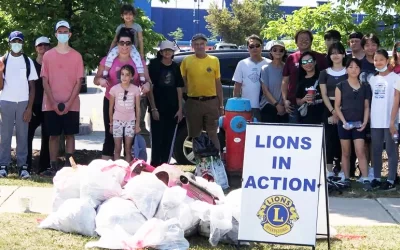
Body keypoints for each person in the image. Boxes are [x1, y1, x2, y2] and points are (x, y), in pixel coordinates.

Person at [94, 27, 150, 160]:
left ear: (132, 45)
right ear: (117, 44)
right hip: (111, 101)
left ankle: (127, 169)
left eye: (128, 43)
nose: (124, 46)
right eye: (121, 42)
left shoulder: (139, 62)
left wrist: (147, 85)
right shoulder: (107, 60)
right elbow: (96, 79)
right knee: (110, 135)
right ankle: (106, 168)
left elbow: (148, 82)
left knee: (129, 138)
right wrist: (100, 80)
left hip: (131, 105)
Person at [40, 21, 84, 176]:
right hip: (50, 104)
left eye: (66, 31)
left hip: (72, 104)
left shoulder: (77, 56)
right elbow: (45, 80)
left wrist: (68, 103)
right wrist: (52, 102)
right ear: (56, 34)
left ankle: (69, 166)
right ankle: (53, 167)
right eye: (60, 31)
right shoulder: (48, 55)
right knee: (53, 136)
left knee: (69, 135)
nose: (63, 34)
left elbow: (79, 82)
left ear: (70, 34)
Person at [0, 31, 38, 179]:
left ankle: (23, 167)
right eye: (14, 41)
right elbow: (0, 86)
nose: (16, 44)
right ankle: (3, 166)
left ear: (22, 43)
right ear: (9, 43)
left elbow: (32, 87)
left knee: (23, 135)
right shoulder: (4, 60)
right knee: (5, 135)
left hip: (23, 103)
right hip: (6, 101)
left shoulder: (27, 61)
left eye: (19, 41)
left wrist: (29, 108)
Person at [180, 33, 223, 151]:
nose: (199, 46)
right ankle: (200, 166)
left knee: (212, 134)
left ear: (206, 45)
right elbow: (182, 84)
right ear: (192, 46)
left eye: (202, 44)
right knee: (195, 135)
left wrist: (220, 105)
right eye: (196, 44)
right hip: (193, 102)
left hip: (211, 102)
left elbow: (218, 83)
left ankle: (216, 164)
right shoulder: (186, 61)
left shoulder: (214, 60)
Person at [334, 58, 371, 190]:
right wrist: (343, 121)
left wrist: (365, 122)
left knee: (360, 151)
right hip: (344, 123)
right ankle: (346, 177)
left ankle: (366, 179)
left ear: (360, 69)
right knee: (345, 152)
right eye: (351, 67)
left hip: (359, 123)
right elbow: (337, 106)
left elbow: (366, 107)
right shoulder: (341, 85)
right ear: (346, 69)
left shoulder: (365, 87)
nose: (354, 69)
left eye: (356, 67)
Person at [147, 41, 184, 167]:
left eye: (170, 50)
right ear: (161, 52)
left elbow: (179, 87)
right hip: (157, 109)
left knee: (169, 140)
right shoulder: (153, 65)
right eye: (165, 50)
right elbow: (149, 88)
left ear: (173, 52)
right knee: (157, 139)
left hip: (172, 110)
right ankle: (154, 166)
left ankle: (165, 166)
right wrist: (153, 108)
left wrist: (180, 109)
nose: (167, 52)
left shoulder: (176, 66)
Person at [282, 29, 327, 123]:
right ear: (296, 42)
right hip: (293, 103)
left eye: (306, 39)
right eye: (301, 39)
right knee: (295, 134)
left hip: (317, 104)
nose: (303, 41)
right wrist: (285, 100)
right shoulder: (291, 58)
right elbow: (285, 81)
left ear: (311, 41)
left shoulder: (320, 57)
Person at [369, 49, 399, 191]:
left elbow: (396, 100)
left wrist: (392, 122)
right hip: (376, 120)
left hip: (391, 121)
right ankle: (376, 177)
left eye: (381, 59)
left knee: (391, 149)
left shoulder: (396, 78)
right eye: (375, 60)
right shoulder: (372, 79)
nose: (378, 62)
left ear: (387, 60)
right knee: (376, 149)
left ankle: (391, 179)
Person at [319, 42, 348, 178]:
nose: (335, 55)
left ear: (343, 54)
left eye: (338, 52)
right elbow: (324, 94)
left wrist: (339, 110)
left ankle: (342, 170)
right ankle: (329, 170)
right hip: (328, 107)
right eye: (332, 53)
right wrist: (332, 111)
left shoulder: (349, 71)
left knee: (343, 139)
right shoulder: (324, 73)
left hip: (346, 107)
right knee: (329, 139)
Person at [27, 36, 51, 175]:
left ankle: (44, 168)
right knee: (27, 137)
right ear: (36, 48)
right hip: (33, 107)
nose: (43, 47)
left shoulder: (52, 65)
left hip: (48, 106)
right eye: (39, 45)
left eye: (45, 45)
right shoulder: (30, 65)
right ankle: (26, 166)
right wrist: (28, 107)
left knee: (47, 137)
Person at [233, 34, 271, 121]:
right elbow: (237, 86)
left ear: (262, 47)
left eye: (257, 45)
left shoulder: (269, 63)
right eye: (251, 46)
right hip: (247, 106)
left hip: (266, 106)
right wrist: (236, 105)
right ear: (248, 48)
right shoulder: (242, 64)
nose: (255, 48)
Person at [103, 4, 145, 83]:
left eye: (130, 14)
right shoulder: (120, 27)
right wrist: (110, 51)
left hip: (132, 48)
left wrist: (142, 53)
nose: (128, 16)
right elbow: (115, 40)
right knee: (110, 57)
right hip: (120, 47)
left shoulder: (137, 27)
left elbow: (140, 40)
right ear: (122, 16)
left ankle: (142, 78)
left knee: (138, 60)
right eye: (126, 14)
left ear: (134, 16)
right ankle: (105, 74)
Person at [109, 64, 141, 162]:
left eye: (127, 75)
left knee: (128, 148)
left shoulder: (135, 89)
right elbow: (110, 108)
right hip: (117, 121)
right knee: (117, 148)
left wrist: (137, 125)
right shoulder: (114, 89)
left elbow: (138, 108)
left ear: (132, 77)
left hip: (130, 121)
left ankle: (127, 170)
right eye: (122, 74)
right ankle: (117, 169)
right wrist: (111, 124)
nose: (124, 77)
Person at [260, 40, 287, 123]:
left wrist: (284, 105)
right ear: (271, 52)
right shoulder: (265, 68)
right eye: (275, 50)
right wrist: (277, 105)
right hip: (268, 106)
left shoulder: (287, 67)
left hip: (285, 107)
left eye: (281, 50)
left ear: (284, 52)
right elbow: (265, 91)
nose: (278, 52)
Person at [295, 52, 323, 125]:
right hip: (305, 117)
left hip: (322, 116)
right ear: (301, 65)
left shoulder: (323, 77)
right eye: (304, 62)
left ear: (315, 62)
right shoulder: (301, 81)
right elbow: (298, 101)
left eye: (310, 61)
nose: (308, 64)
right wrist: (304, 99)